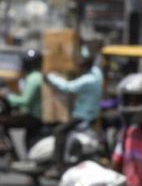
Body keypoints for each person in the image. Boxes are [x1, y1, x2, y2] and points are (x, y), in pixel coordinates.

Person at [44, 49, 103, 178]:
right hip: (89, 113)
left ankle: (58, 165)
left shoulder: (88, 80)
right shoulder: (97, 74)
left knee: (59, 131)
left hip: (83, 115)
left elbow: (67, 87)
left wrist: (50, 76)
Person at [0, 49, 43, 150]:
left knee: (1, 121)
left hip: (34, 116)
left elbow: (25, 101)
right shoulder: (35, 76)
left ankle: (10, 150)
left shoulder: (33, 79)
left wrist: (8, 97)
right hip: (33, 115)